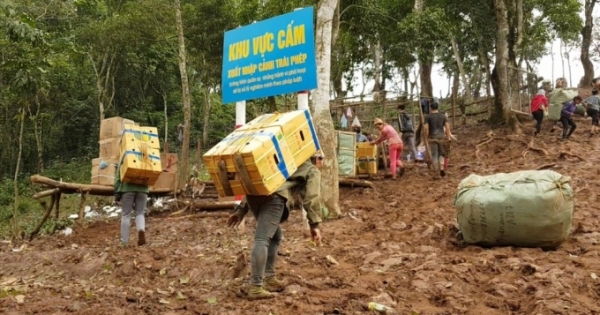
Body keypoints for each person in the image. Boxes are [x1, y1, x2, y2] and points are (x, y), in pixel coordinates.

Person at [227, 153, 325, 300]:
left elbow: (259, 181)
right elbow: (312, 197)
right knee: (262, 239)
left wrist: (241, 210)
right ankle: (255, 287)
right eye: (322, 159)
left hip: (254, 196)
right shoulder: (311, 169)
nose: (322, 163)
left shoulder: (281, 158)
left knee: (275, 235)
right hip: (274, 199)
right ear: (317, 158)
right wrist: (314, 224)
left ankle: (269, 278)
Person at [114, 163, 148, 247]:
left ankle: (124, 242)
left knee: (126, 214)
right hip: (143, 189)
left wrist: (117, 193)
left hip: (127, 189)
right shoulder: (146, 154)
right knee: (140, 212)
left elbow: (118, 176)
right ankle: (141, 229)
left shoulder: (126, 155)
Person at [423, 102, 453, 178]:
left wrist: (426, 137)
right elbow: (447, 127)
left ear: (430, 108)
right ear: (437, 107)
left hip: (432, 138)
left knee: (434, 154)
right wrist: (448, 136)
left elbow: (426, 128)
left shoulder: (428, 117)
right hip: (441, 137)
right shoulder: (443, 116)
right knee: (441, 154)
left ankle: (436, 172)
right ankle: (442, 168)